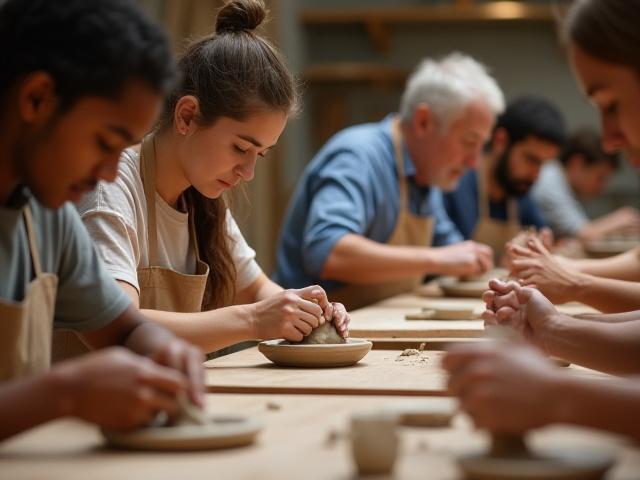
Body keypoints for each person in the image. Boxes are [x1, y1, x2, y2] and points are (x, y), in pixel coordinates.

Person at [72, 0, 349, 358]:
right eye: (239, 148)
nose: (247, 172)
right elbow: (118, 325)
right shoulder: (111, 188)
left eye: (259, 155)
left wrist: (309, 313)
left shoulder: (203, 200)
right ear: (187, 116)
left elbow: (258, 291)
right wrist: (253, 320)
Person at [0, 0, 205, 441]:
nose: (111, 172)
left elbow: (124, 329)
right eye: (105, 142)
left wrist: (165, 350)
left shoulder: (45, 212)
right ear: (36, 99)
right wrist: (66, 393)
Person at [444, 0, 640, 441]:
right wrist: (552, 328)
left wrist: (558, 397)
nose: (608, 139)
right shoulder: (456, 188)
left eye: (611, 105)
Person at [274, 53, 502, 310]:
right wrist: (437, 258)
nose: (474, 162)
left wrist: (478, 259)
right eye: (469, 142)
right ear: (423, 121)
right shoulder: (359, 156)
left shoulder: (425, 175)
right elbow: (327, 251)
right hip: (310, 339)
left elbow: (452, 249)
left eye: (481, 146)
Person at [444, 96, 566, 259]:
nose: (536, 175)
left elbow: (542, 239)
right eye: (531, 160)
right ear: (500, 140)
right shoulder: (456, 184)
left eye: (542, 164)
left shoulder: (519, 191)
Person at [532, 128, 638, 241]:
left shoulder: (559, 179)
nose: (602, 187)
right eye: (600, 177)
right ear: (577, 163)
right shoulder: (550, 180)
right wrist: (622, 219)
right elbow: (584, 234)